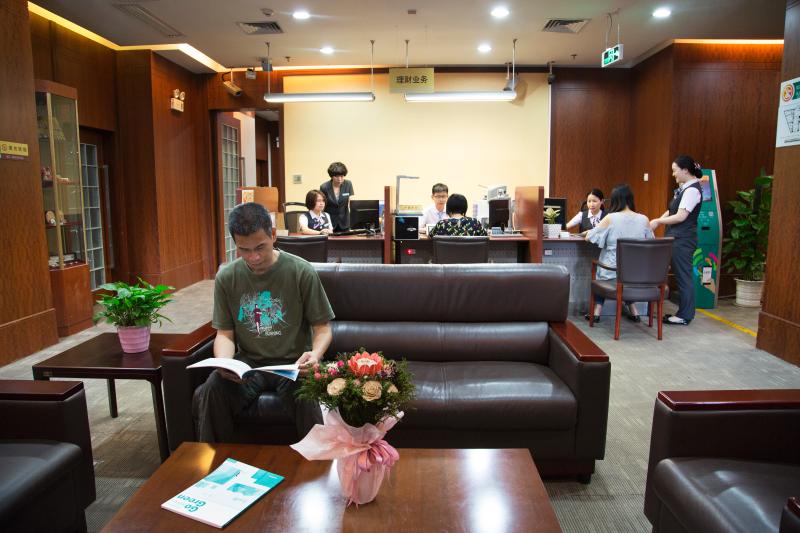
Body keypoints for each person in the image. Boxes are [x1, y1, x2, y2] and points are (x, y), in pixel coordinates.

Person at [193, 202, 335, 443]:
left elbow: (322, 329)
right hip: (249, 365)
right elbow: (225, 334)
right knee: (213, 388)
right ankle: (215, 460)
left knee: (308, 393)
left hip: (293, 365)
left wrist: (315, 354)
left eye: (260, 247)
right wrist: (226, 362)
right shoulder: (227, 277)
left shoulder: (301, 271)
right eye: (244, 250)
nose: (254, 257)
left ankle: (318, 462)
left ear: (273, 235)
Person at [585, 184, 654, 322]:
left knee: (603, 271)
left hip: (611, 272)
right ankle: (634, 312)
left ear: (615, 200)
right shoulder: (644, 219)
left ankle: (597, 312)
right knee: (625, 276)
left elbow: (590, 237)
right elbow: (651, 241)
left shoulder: (610, 218)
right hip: (637, 273)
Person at [649, 155, 704, 326]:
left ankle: (685, 315)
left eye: (675, 171)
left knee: (684, 276)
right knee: (681, 275)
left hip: (683, 239)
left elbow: (681, 216)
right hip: (676, 238)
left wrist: (658, 222)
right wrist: (656, 221)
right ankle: (683, 313)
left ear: (685, 170)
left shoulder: (692, 190)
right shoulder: (683, 189)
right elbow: (671, 210)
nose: (673, 174)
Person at [320, 161, 354, 232]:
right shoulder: (324, 187)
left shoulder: (348, 184)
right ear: (332, 176)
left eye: (342, 176)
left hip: (345, 222)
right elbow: (322, 205)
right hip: (330, 222)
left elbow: (350, 202)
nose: (340, 179)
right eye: (336, 176)